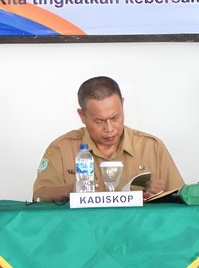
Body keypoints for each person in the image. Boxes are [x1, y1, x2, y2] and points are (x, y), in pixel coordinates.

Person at [32, 76, 184, 201]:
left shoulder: (151, 147)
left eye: (115, 118)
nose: (109, 128)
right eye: (99, 121)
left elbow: (182, 199)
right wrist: (72, 189)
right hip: (83, 227)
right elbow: (38, 197)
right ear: (82, 116)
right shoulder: (61, 149)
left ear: (122, 105)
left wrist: (160, 194)